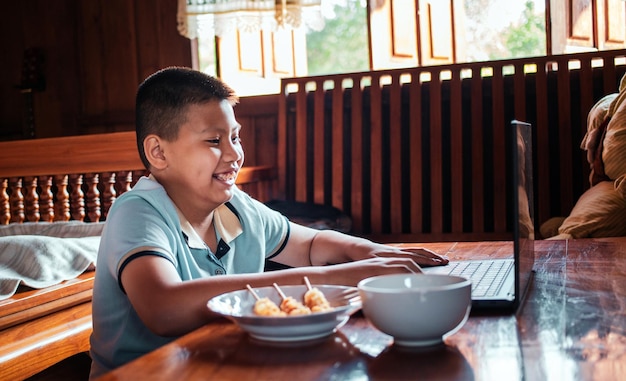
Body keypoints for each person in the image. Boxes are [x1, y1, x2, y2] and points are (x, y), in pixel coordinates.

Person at [88, 67, 448, 379]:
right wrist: (335, 278)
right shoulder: (137, 211)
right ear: (158, 152)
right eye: (214, 141)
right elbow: (163, 307)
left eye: (235, 136)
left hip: (222, 368)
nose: (234, 154)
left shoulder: (237, 208)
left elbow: (308, 245)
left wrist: (373, 253)